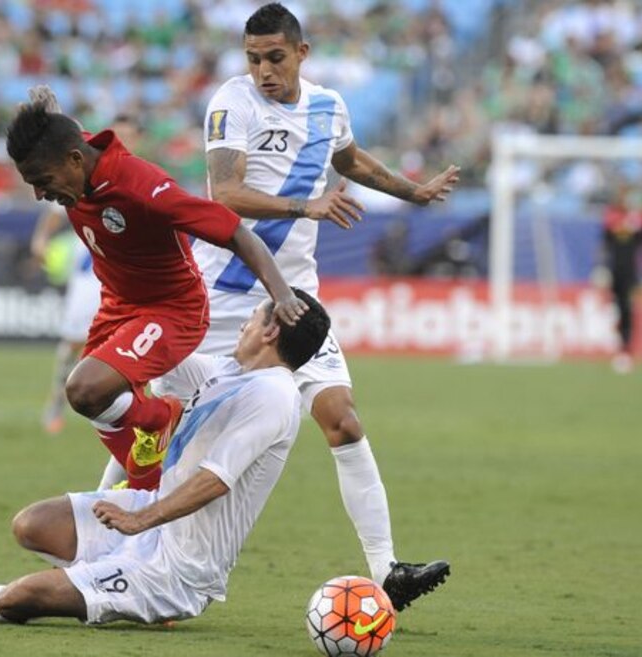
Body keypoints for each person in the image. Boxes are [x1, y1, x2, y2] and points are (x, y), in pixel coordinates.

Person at [179, 3, 459, 610]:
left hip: (295, 300)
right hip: (225, 297)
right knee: (171, 425)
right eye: (253, 59)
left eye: (275, 58)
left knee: (342, 418)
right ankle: (111, 536)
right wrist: (306, 207)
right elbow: (225, 192)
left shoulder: (329, 106)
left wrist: (412, 192)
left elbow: (349, 160)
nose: (263, 71)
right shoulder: (232, 102)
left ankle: (387, 570)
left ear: (302, 53)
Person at [0, 289, 332, 626]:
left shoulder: (274, 395)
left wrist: (141, 518)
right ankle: (107, 587)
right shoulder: (226, 370)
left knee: (22, 596)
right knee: (31, 525)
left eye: (252, 316)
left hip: (181, 567)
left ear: (271, 330)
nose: (244, 323)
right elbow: (156, 357)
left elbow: (216, 479)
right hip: (150, 519)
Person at [4, 102, 306, 491]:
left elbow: (237, 234)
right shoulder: (74, 160)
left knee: (85, 389)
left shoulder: (143, 188)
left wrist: (281, 294)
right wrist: (44, 113)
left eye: (42, 180)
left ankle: (161, 419)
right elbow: (70, 133)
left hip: (171, 309)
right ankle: (147, 491)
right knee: (95, 403)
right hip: (117, 305)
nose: (38, 194)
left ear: (75, 160)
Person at [31, 116, 142, 435]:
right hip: (90, 273)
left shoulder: (142, 177)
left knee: (130, 344)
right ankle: (56, 400)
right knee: (74, 342)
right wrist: (40, 240)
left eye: (130, 135)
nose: (125, 140)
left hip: (129, 276)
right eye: (120, 134)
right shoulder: (88, 172)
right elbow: (55, 212)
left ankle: (130, 412)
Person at [598, 183, 642, 373]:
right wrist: (601, 267)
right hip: (615, 271)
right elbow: (604, 244)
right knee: (617, 309)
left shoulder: (640, 218)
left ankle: (626, 349)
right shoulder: (612, 216)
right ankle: (619, 347)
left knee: (629, 309)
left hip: (632, 273)